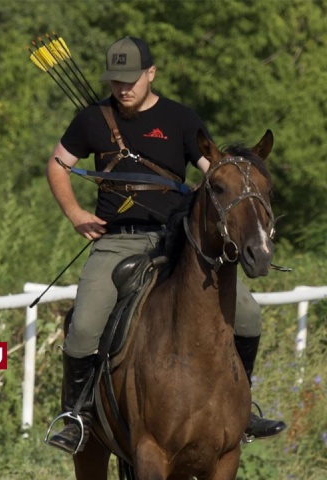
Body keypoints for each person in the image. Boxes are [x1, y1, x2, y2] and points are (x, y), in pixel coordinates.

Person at [45, 37, 286, 453]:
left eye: (131, 80)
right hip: (116, 243)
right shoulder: (91, 119)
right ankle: (77, 416)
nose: (123, 89)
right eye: (116, 81)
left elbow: (217, 173)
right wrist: (74, 213)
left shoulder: (179, 118)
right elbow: (57, 164)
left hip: (175, 244)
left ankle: (243, 409)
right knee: (83, 327)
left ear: (151, 73)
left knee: (248, 313)